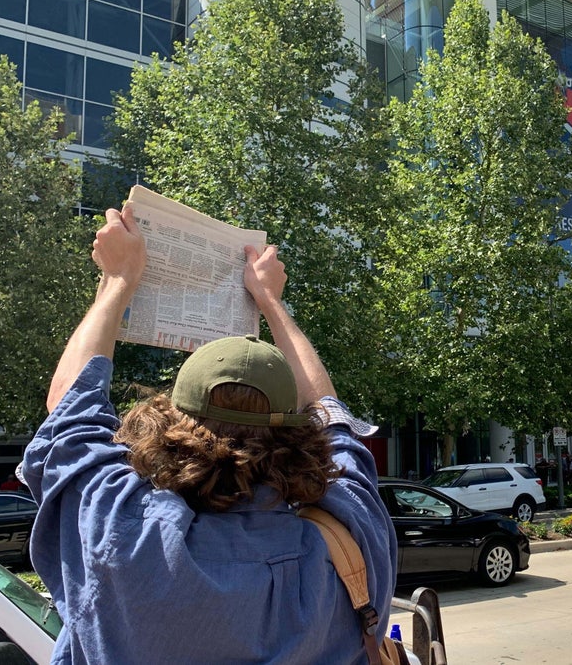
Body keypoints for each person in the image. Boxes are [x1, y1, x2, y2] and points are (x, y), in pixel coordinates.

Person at [21, 204, 397, 663]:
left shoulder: (121, 531)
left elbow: (69, 403)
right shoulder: (352, 532)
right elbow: (330, 413)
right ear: (300, 437)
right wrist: (271, 301)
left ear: (168, 426)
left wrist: (118, 280)